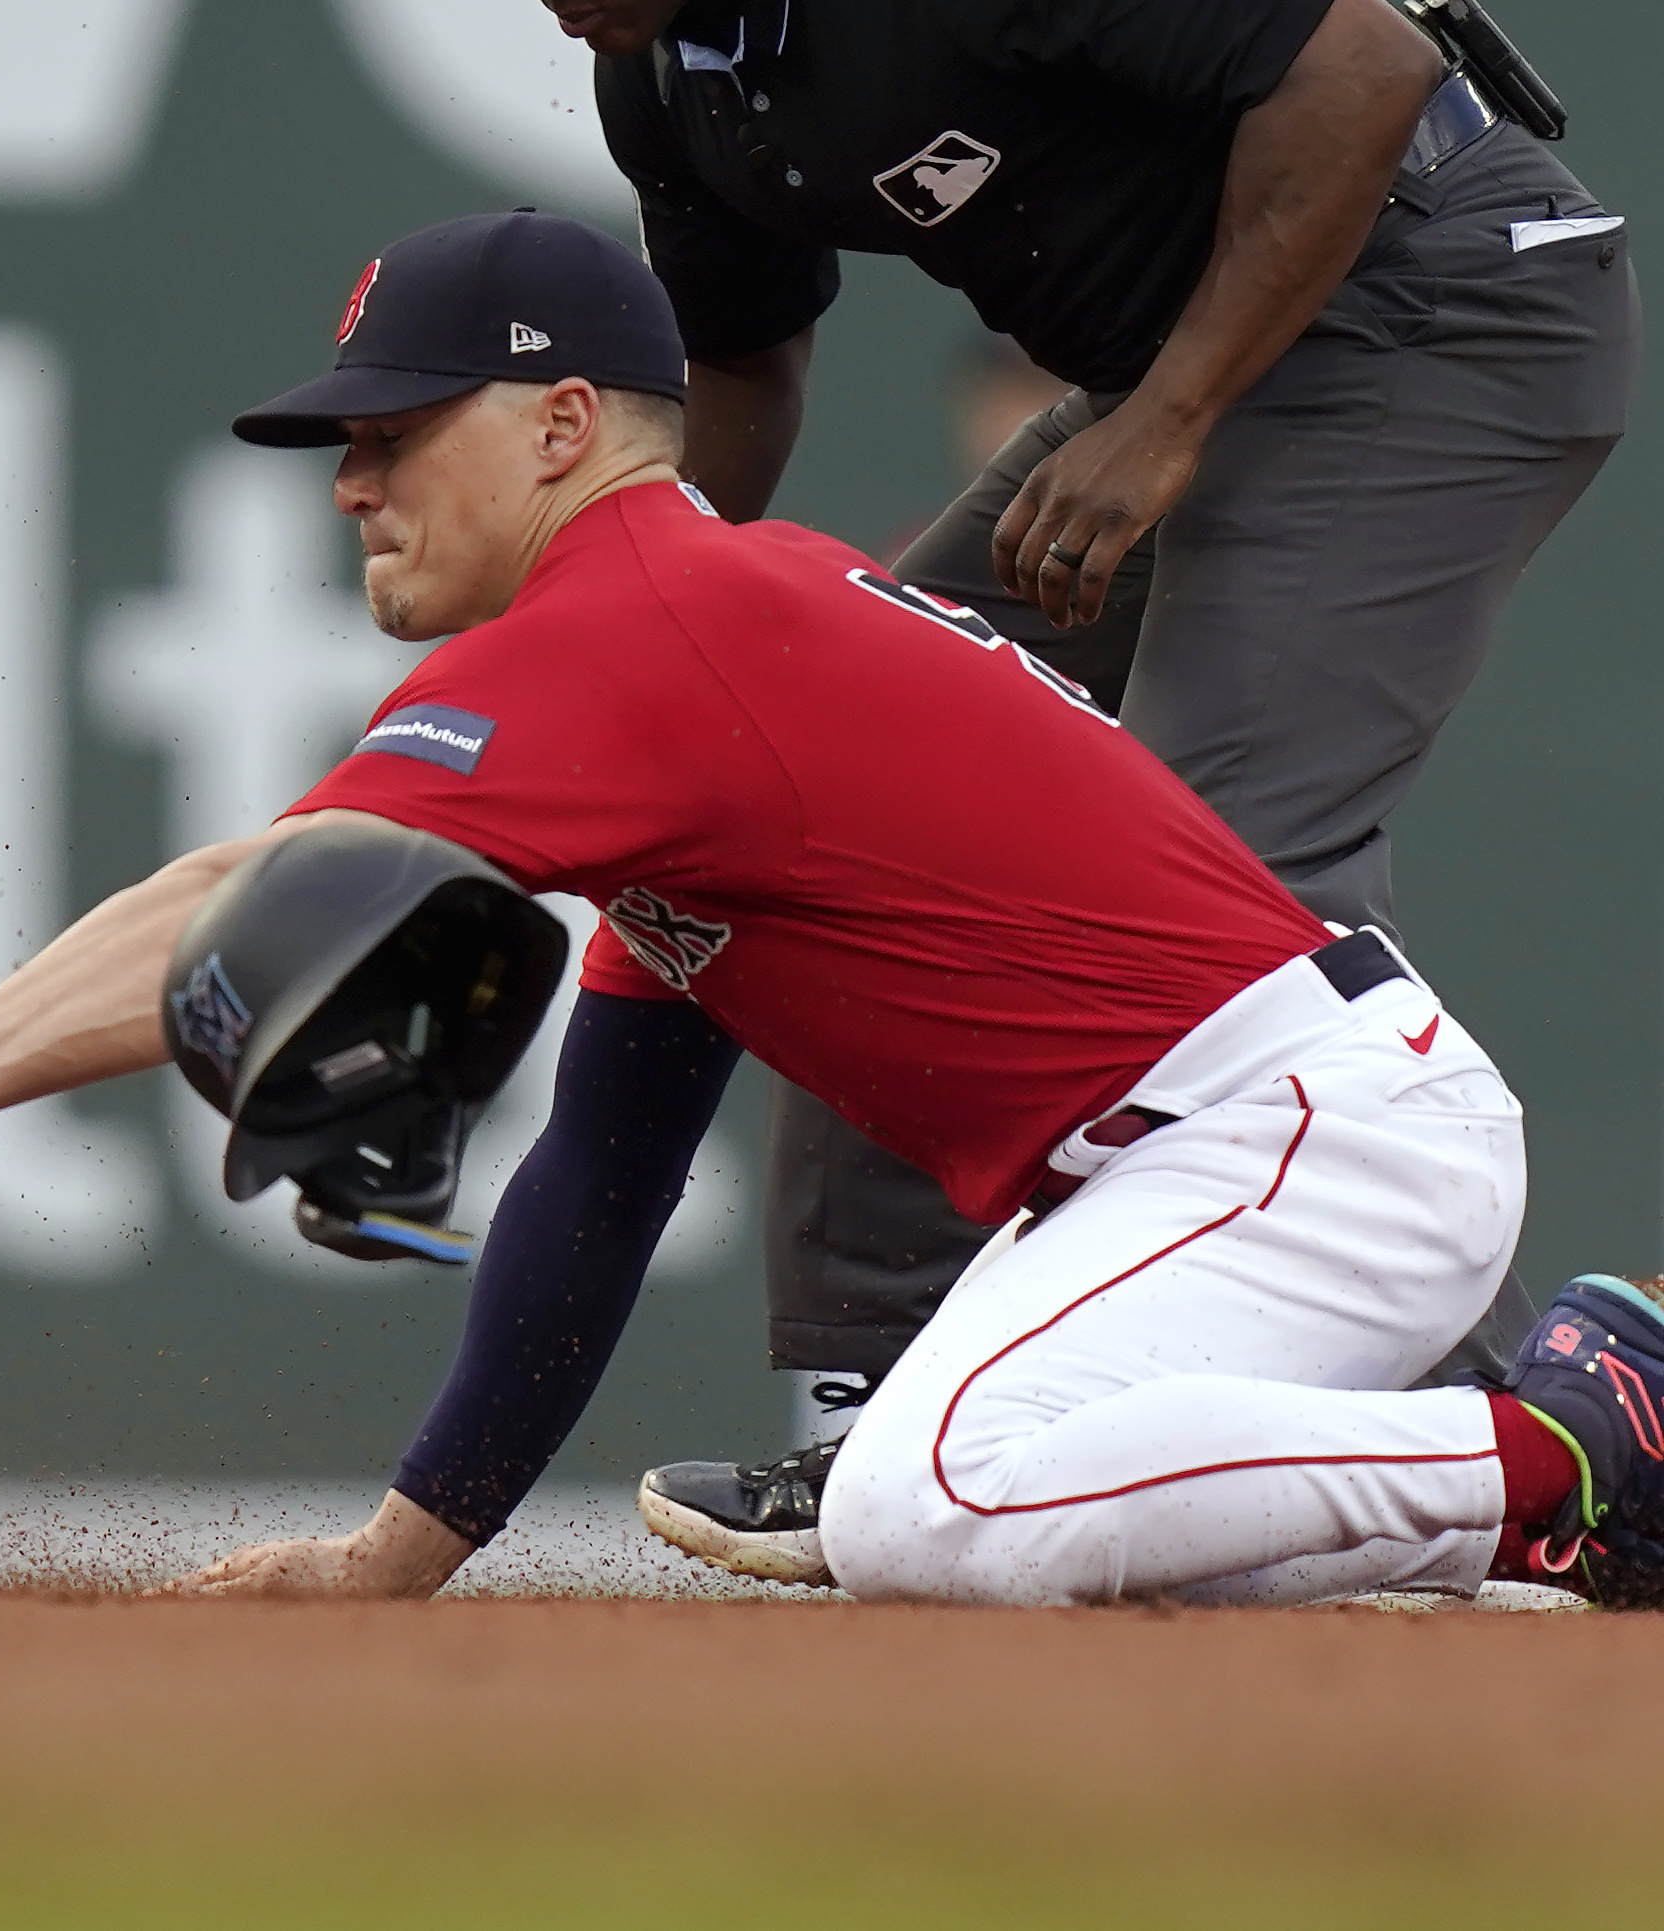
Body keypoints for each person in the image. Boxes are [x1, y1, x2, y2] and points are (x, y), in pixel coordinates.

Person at [0, 209, 1662, 1609]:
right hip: (1251, 1149)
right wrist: (402, 1554)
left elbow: (242, 898)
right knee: (1058, 1546)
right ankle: (1554, 1456)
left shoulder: (643, 620)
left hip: (1294, 1137)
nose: (351, 481)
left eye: (390, 428)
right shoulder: (685, 696)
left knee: (930, 1506)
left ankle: (1566, 1458)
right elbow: (600, 1177)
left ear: (558, 428)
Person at [562, 0, 1636, 1575]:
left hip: (1434, 301)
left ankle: (1559, 1452)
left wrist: (1169, 421)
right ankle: (888, 1392)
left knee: (1215, 895)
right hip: (1204, 360)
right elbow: (735, 367)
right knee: (858, 772)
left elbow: (1368, 62)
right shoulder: (664, 69)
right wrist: (623, 643)